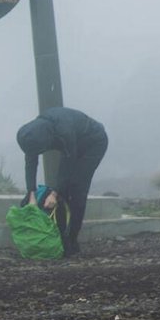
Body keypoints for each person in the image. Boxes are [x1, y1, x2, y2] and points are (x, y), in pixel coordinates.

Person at [16, 107, 108, 257]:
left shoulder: (64, 131)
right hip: (73, 145)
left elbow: (68, 163)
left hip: (94, 143)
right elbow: (30, 162)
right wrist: (31, 193)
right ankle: (54, 237)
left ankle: (71, 242)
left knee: (76, 188)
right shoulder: (31, 135)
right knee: (39, 196)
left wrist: (54, 193)